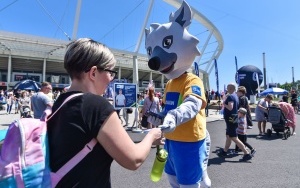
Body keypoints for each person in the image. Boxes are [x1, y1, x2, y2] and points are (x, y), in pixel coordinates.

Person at [47, 38, 164, 187]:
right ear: (94, 72)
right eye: (110, 72)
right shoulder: (95, 106)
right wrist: (152, 135)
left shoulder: (58, 104)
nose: (111, 79)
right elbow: (134, 159)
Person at [217, 83, 252, 161]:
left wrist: (224, 104)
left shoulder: (230, 96)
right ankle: (224, 151)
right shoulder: (235, 96)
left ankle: (246, 153)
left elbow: (230, 107)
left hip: (230, 119)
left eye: (228, 87)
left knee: (233, 137)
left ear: (231, 88)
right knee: (229, 136)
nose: (227, 89)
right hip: (233, 118)